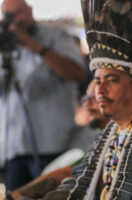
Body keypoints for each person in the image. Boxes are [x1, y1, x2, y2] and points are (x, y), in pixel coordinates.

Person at [39, 0, 132, 199]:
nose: (100, 89)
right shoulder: (113, 130)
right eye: (97, 80)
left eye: (111, 80)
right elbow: (79, 181)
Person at [0, 0, 85, 190]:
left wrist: (33, 45)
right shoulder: (5, 44)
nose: (15, 20)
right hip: (14, 150)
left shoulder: (56, 36)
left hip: (53, 146)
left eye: (18, 13)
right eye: (8, 15)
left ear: (29, 11)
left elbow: (76, 73)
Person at [5, 80, 110, 200]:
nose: (86, 103)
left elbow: (66, 174)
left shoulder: (119, 140)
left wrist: (12, 197)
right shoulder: (99, 140)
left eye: (94, 97)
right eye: (86, 97)